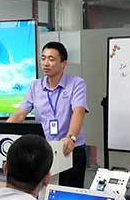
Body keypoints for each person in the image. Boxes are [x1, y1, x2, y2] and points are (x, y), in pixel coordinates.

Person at [7, 41, 88, 187]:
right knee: (42, 191)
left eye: (51, 59)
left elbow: (79, 111)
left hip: (70, 148)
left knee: (69, 192)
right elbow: (20, 113)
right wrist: (3, 134)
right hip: (44, 150)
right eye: (43, 58)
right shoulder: (35, 86)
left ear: (63, 63)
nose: (45, 63)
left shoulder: (76, 83)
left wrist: (71, 137)